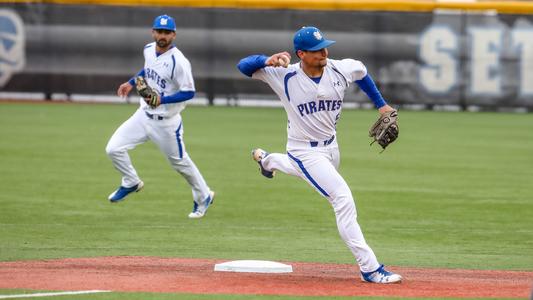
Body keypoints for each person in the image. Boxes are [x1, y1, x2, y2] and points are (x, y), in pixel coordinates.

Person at [237, 26, 402, 283]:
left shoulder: (340, 68)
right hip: (304, 150)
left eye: (325, 46)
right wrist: (265, 60)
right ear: (301, 54)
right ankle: (370, 268)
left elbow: (362, 73)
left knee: (305, 173)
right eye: (316, 50)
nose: (324, 52)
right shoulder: (284, 75)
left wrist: (381, 105)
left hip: (332, 148)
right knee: (342, 198)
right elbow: (243, 66)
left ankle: (266, 160)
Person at [105, 14, 214, 219]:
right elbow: (147, 70)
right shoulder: (148, 49)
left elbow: (189, 92)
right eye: (159, 31)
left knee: (181, 164)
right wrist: (130, 82)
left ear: (173, 35)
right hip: (143, 116)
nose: (162, 35)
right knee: (113, 148)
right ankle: (131, 182)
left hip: (166, 123)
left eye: (167, 32)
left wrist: (162, 100)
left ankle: (204, 196)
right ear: (153, 32)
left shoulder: (179, 61)